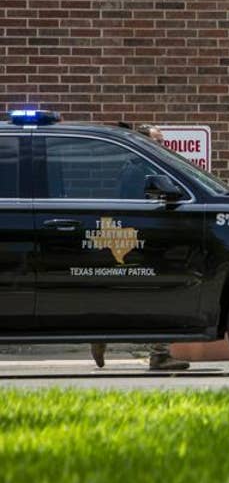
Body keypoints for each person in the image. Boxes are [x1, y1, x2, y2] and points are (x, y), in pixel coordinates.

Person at [91, 123, 191, 371]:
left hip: (144, 240)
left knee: (137, 294)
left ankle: (103, 333)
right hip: (145, 242)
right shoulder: (140, 170)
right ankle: (159, 354)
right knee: (161, 295)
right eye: (156, 141)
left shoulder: (140, 167)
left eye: (162, 141)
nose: (161, 146)